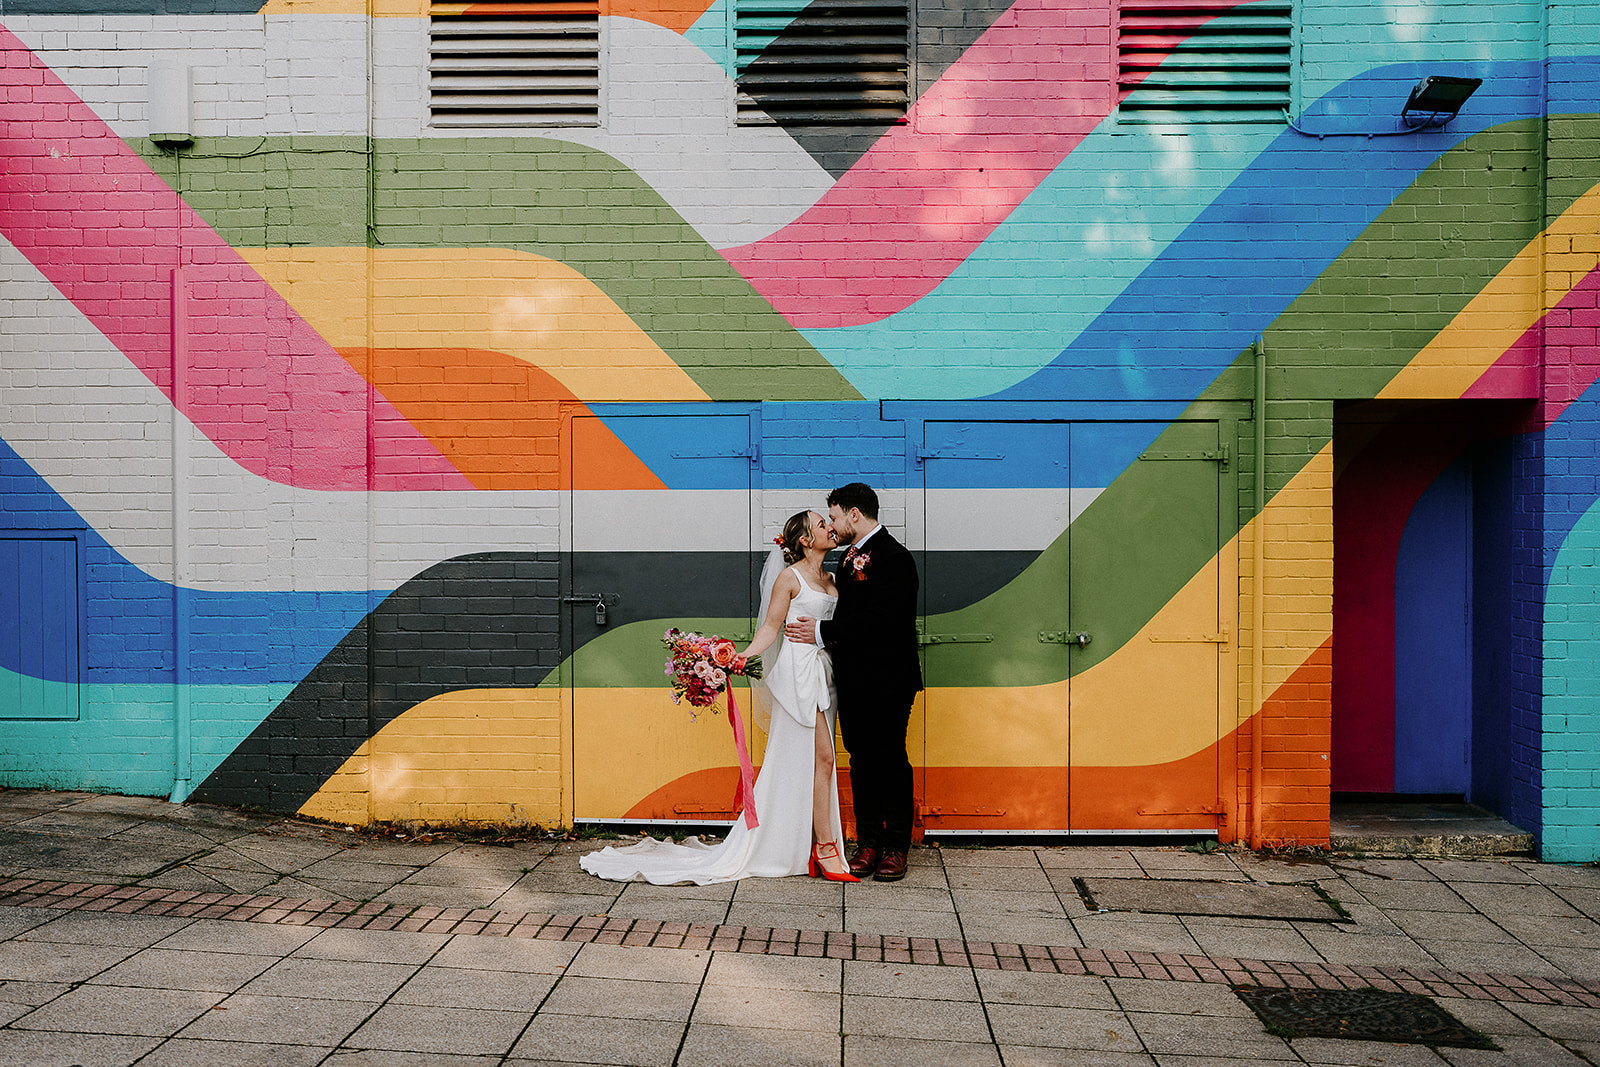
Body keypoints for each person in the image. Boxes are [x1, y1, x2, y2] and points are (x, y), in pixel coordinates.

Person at [580, 510, 858, 884]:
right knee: (820, 758)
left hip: (824, 674)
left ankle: (808, 843)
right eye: (822, 524)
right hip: (797, 674)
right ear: (806, 540)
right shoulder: (788, 579)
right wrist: (742, 657)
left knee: (816, 760)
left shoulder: (833, 578)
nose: (830, 527)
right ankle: (824, 848)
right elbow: (771, 628)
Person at [785, 483, 922, 881]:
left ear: (854, 514)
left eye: (834, 516)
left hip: (889, 679)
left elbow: (886, 620)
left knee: (890, 759)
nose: (833, 524)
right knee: (860, 760)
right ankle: (868, 843)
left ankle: (896, 846)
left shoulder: (895, 558)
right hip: (853, 680)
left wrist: (823, 632)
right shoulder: (847, 560)